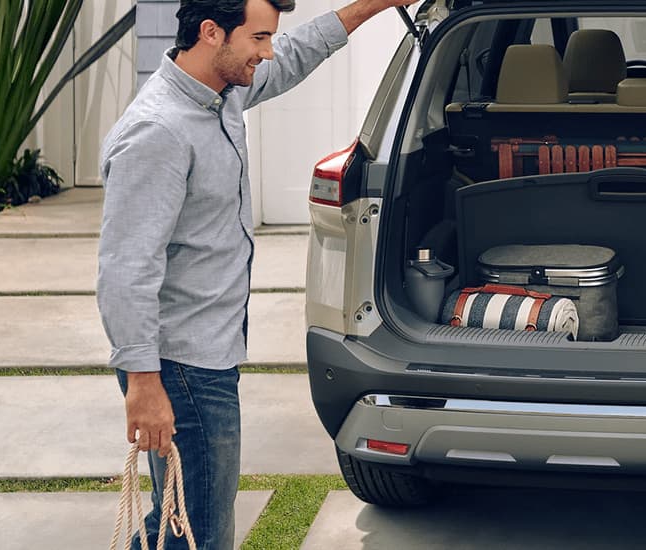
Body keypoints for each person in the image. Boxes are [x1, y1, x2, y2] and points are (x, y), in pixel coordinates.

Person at [97, 0, 417, 547]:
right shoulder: (160, 131)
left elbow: (293, 55)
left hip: (206, 355)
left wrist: (374, 6)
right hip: (183, 368)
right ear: (210, 33)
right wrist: (144, 384)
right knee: (201, 532)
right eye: (259, 38)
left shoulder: (221, 90)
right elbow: (126, 268)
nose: (268, 53)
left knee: (176, 517)